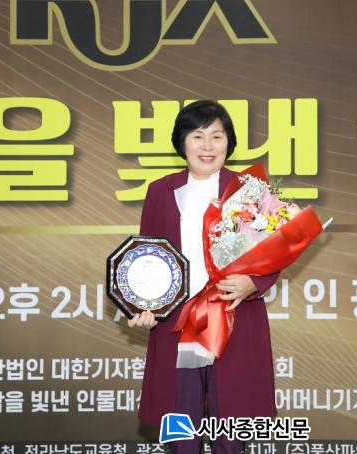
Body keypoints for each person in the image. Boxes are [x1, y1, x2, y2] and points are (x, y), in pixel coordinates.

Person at [128, 100, 279, 454]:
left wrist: (253, 284)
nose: (207, 146)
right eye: (197, 136)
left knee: (231, 432)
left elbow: (275, 251)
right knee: (182, 430)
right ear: (182, 142)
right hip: (177, 324)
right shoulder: (160, 191)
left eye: (216, 136)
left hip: (234, 317)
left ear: (229, 142)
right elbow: (145, 257)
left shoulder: (250, 189)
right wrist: (143, 304)